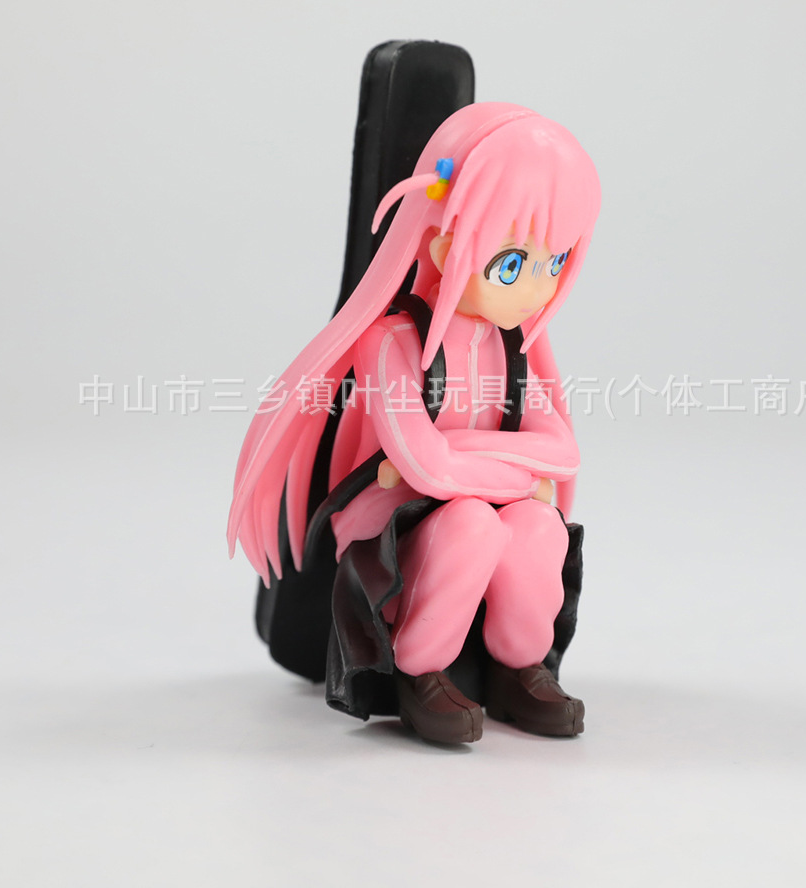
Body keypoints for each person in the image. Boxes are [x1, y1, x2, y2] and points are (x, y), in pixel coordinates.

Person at [229, 103, 601, 744]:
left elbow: (562, 451)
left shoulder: (512, 350)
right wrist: (514, 471)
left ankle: (519, 668)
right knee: (470, 523)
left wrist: (466, 456)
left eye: (555, 263)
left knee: (539, 528)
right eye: (512, 265)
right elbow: (426, 466)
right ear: (446, 245)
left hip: (464, 501)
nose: (535, 290)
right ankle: (420, 671)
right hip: (392, 522)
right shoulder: (394, 342)